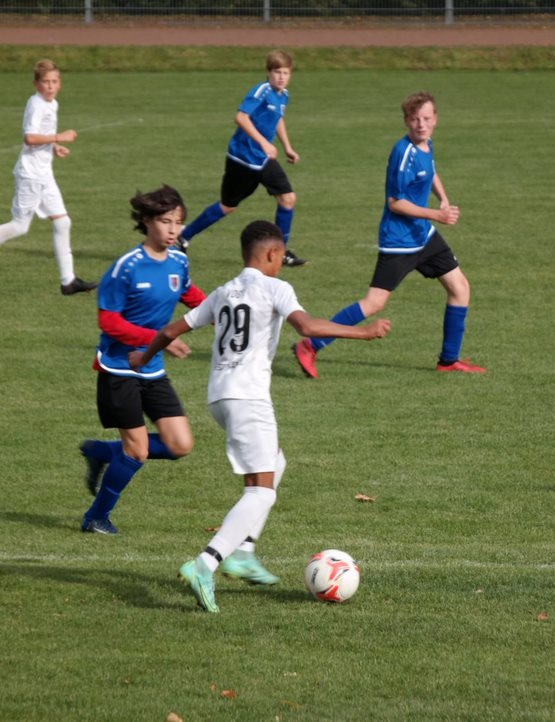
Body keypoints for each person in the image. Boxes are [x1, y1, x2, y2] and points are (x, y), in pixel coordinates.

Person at [129, 220, 391, 613]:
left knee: (275, 463)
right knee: (261, 491)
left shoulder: (223, 291)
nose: (282, 263)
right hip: (249, 398)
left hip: (219, 397)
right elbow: (307, 327)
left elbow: (169, 331)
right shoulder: (275, 288)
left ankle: (244, 551)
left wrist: (142, 357)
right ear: (271, 253)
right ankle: (207, 563)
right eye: (281, 257)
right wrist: (365, 333)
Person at [293, 91, 486, 378]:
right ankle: (310, 345)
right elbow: (395, 203)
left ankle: (449, 361)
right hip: (400, 242)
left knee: (460, 288)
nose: (421, 124)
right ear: (406, 121)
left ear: (435, 119)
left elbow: (431, 170)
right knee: (374, 303)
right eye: (415, 119)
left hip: (424, 235)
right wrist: (436, 214)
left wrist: (443, 199)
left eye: (427, 118)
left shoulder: (427, 144)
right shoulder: (403, 152)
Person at [78, 185, 207, 535]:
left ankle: (103, 451)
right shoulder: (126, 268)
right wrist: (160, 339)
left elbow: (191, 295)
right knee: (137, 451)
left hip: (152, 370)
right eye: (166, 222)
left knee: (180, 445)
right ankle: (96, 517)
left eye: (178, 222)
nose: (173, 230)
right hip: (118, 369)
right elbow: (109, 321)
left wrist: (223, 311)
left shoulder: (179, 261)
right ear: (147, 221)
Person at [0, 58, 97, 295]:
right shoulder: (37, 104)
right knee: (20, 226)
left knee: (63, 221)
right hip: (31, 175)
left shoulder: (52, 104)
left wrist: (53, 147)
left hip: (44, 174)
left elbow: (41, 135)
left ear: (60, 83)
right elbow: (29, 138)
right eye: (45, 82)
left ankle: (68, 281)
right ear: (36, 84)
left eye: (54, 81)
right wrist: (59, 137)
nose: (50, 86)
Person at [178, 50, 308, 267]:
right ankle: (184, 236)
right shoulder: (262, 91)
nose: (281, 77)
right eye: (277, 72)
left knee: (288, 198)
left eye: (285, 73)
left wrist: (287, 147)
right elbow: (241, 117)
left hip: (263, 158)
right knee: (228, 206)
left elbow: (277, 119)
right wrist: (264, 142)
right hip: (243, 158)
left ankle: (280, 252)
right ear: (268, 73)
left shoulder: (283, 95)